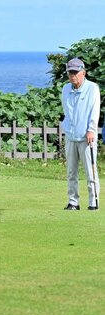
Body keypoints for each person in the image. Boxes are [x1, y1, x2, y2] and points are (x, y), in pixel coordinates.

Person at [61, 58, 101, 210]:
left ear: (83, 72)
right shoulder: (65, 89)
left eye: (75, 73)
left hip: (86, 137)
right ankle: (73, 202)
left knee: (90, 171)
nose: (72, 76)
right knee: (71, 172)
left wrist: (91, 129)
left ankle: (93, 202)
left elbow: (94, 111)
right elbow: (66, 111)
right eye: (70, 73)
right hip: (71, 136)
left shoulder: (92, 88)